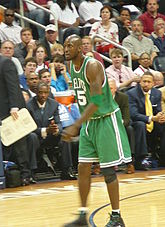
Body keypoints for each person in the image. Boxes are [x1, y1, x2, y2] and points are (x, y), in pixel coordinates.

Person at [62, 34, 131, 227]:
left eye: (70, 46)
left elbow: (98, 100)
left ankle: (117, 217)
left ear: (79, 49)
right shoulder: (70, 67)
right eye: (65, 46)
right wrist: (81, 123)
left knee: (108, 170)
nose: (66, 49)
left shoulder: (92, 66)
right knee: (83, 167)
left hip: (105, 120)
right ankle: (83, 215)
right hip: (89, 123)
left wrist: (76, 124)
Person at [26, 81, 76, 180]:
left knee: (65, 135)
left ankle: (67, 170)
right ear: (36, 92)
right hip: (37, 137)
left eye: (45, 92)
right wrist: (45, 130)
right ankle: (30, 173)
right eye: (40, 92)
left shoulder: (53, 104)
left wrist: (56, 129)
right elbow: (29, 127)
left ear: (48, 92)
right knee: (31, 137)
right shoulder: (29, 105)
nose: (43, 95)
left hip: (51, 137)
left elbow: (59, 123)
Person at [127, 71, 165, 169]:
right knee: (140, 124)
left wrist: (160, 116)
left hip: (153, 122)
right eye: (144, 81)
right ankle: (140, 159)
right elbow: (133, 114)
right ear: (140, 82)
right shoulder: (131, 93)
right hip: (137, 122)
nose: (146, 84)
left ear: (153, 83)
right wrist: (151, 118)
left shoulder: (157, 93)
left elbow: (158, 110)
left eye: (148, 82)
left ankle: (164, 156)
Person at [0, 55, 31, 186]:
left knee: (20, 145)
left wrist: (15, 106)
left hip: (12, 111)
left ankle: (26, 175)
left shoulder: (5, 62)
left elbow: (13, 86)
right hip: (1, 111)